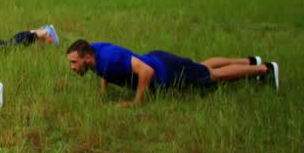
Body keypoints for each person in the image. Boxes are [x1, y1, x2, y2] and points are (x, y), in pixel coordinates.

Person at [65, 39, 279, 107]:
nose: (73, 67)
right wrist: (104, 90)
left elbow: (146, 72)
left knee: (210, 76)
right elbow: (106, 72)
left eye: (74, 62)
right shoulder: (95, 54)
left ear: (87, 57)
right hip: (159, 59)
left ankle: (264, 69)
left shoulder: (109, 58)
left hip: (164, 69)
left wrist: (136, 101)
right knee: (201, 65)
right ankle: (251, 61)